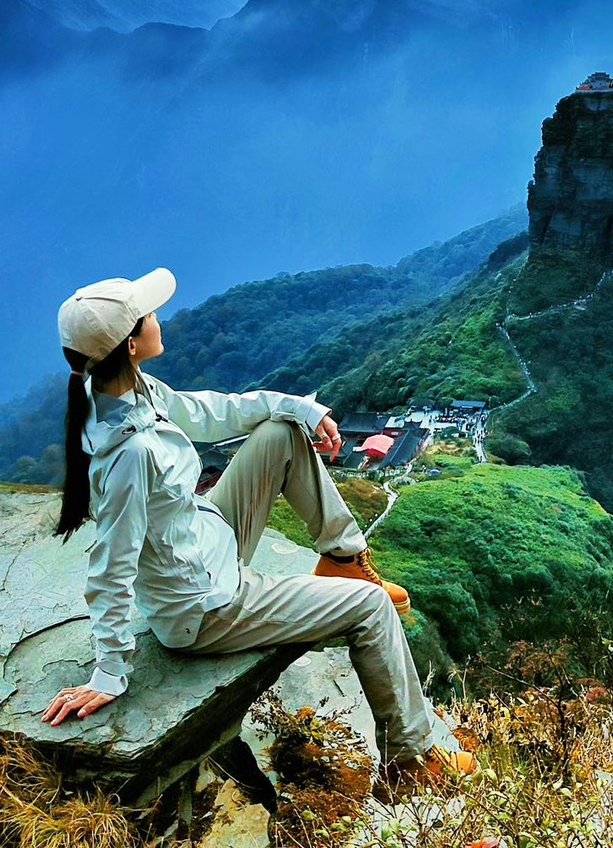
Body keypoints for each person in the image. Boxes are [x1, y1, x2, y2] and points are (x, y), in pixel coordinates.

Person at [41, 267, 475, 795]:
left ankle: (342, 557)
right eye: (147, 314)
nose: (159, 316)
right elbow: (110, 566)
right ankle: (413, 756)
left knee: (280, 432)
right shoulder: (128, 455)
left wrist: (303, 408)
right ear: (131, 344)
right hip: (208, 605)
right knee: (371, 607)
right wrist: (109, 671)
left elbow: (213, 412)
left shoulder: (127, 389)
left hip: (210, 537)